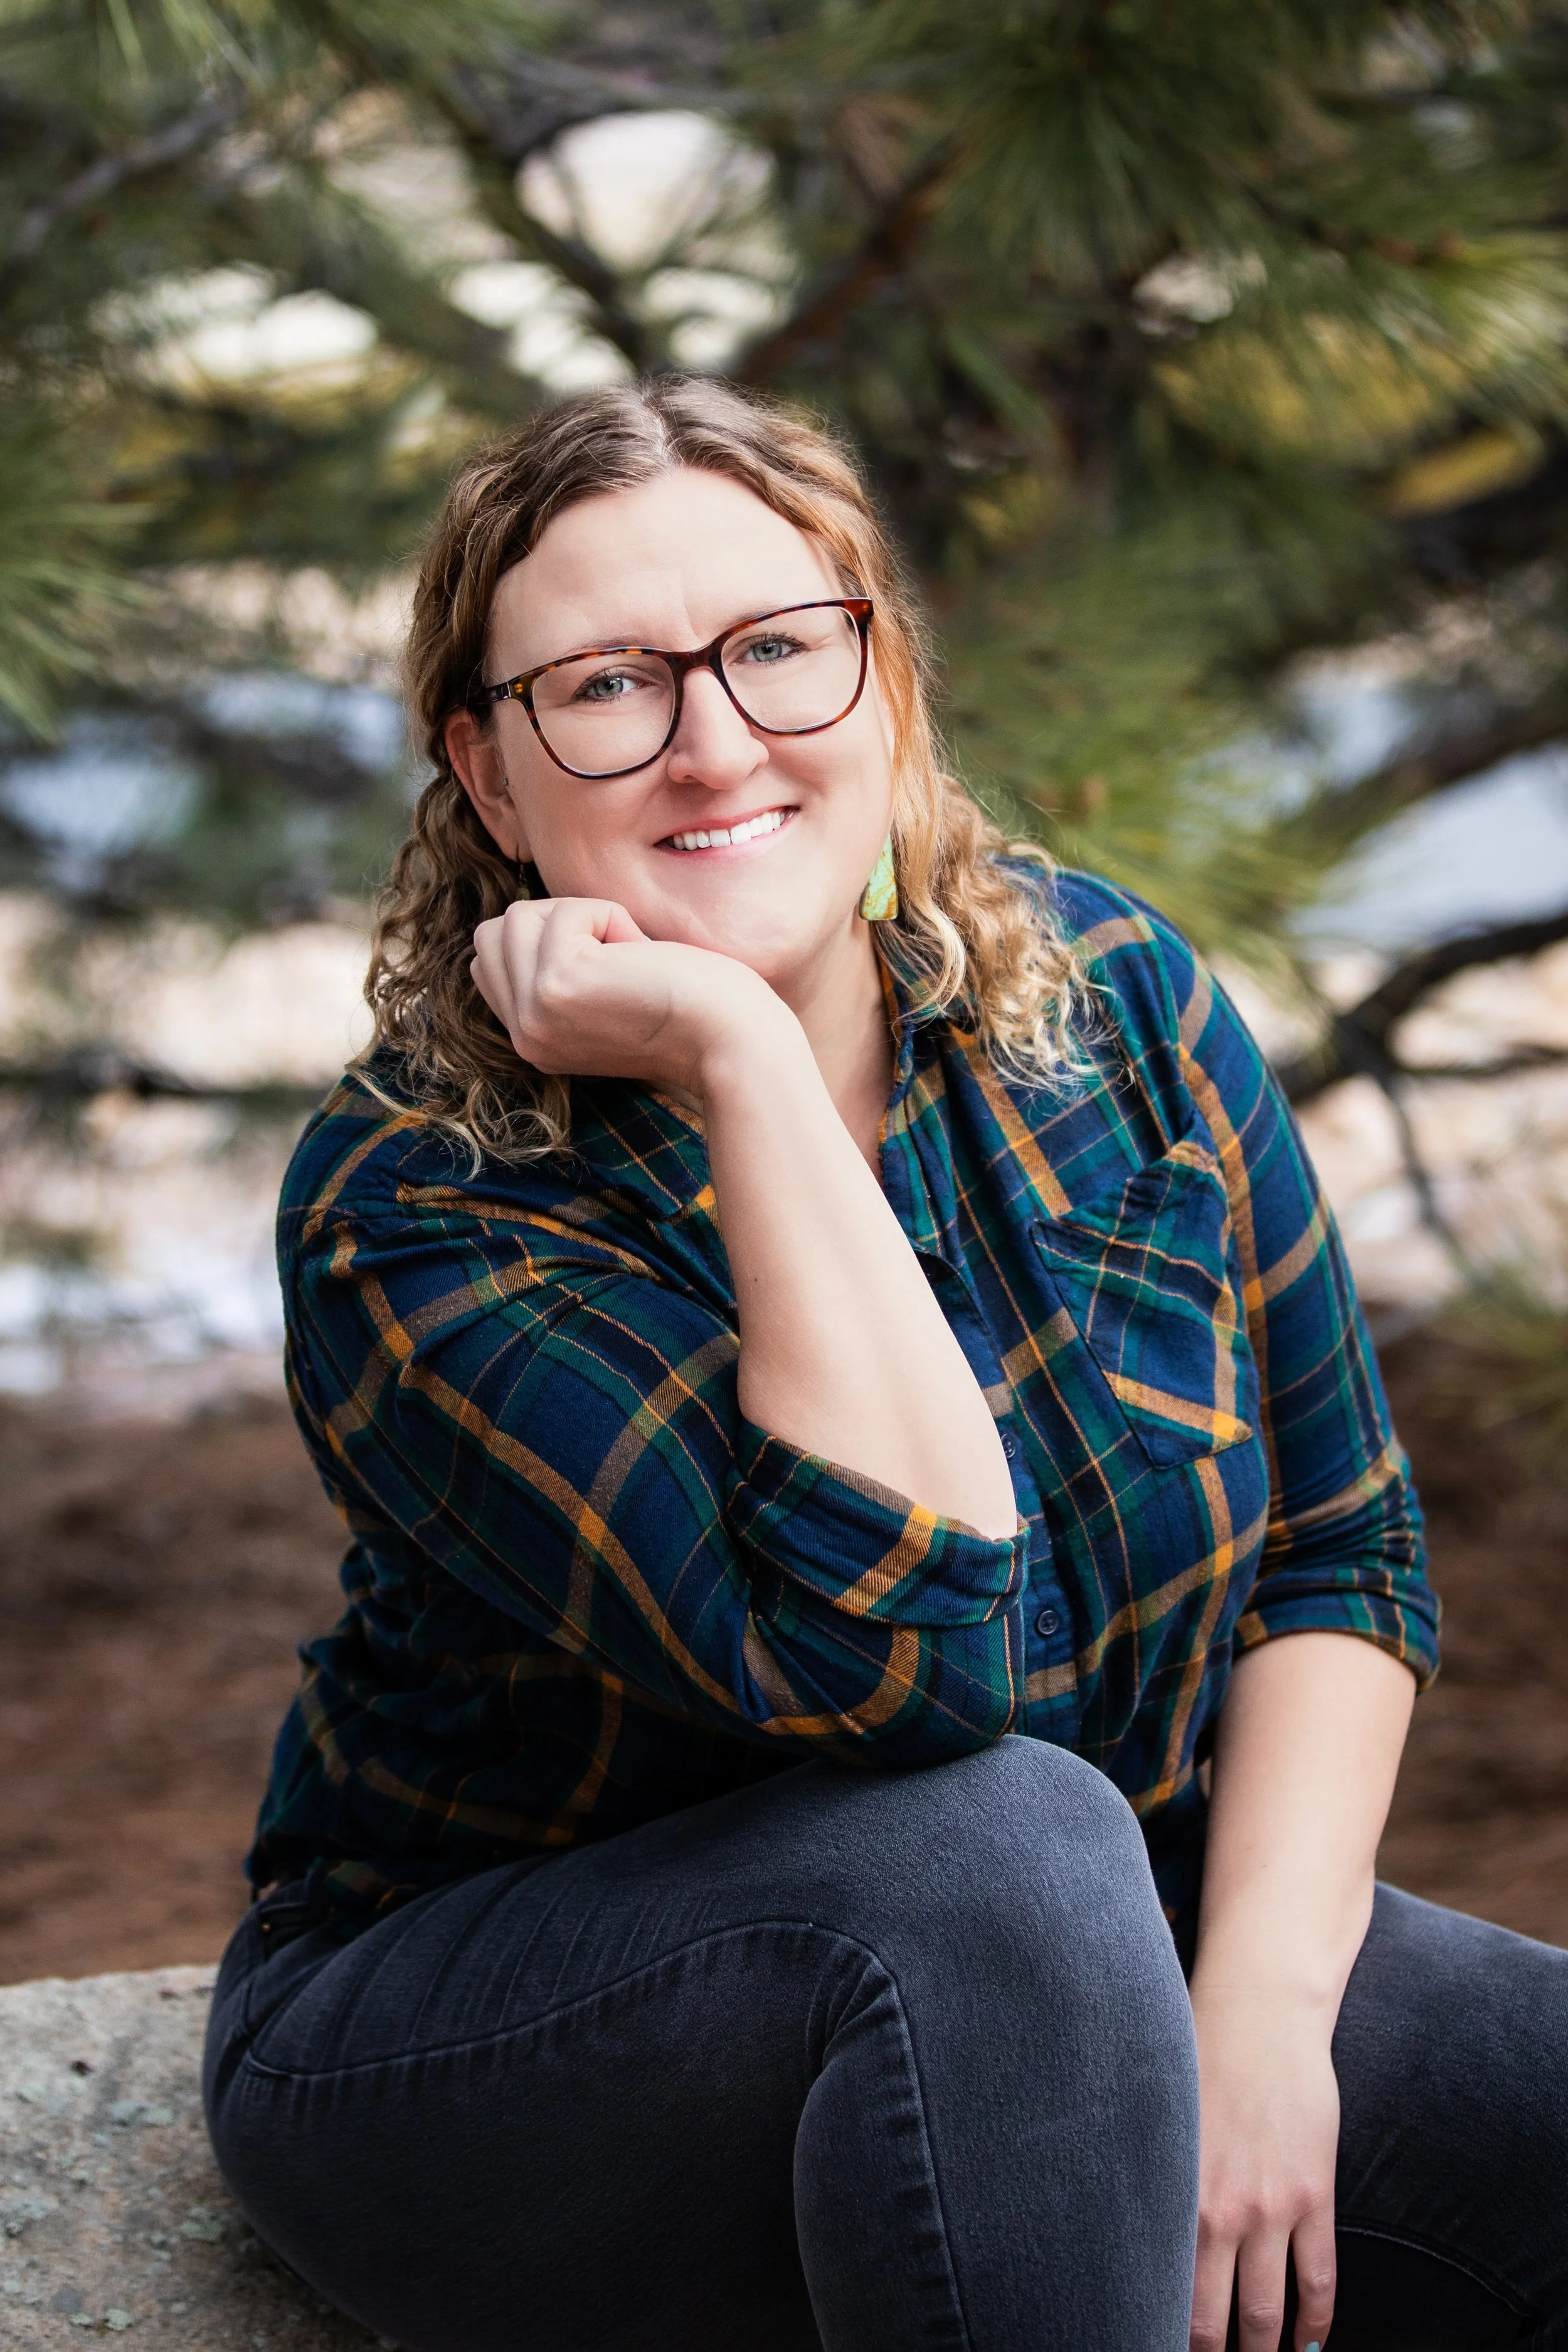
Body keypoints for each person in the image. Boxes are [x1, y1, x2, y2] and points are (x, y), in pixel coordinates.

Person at [203, 376, 1568, 2352]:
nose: (713, 740)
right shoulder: (418, 1201)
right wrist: (740, 1055)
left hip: (1085, 1942)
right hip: (503, 2038)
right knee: (1004, 1847)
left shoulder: (1111, 999)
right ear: (489, 780)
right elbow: (901, 1672)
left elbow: (1338, 1553)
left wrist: (1262, 2029)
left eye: (779, 649)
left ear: (888, 685)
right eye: (607, 686)